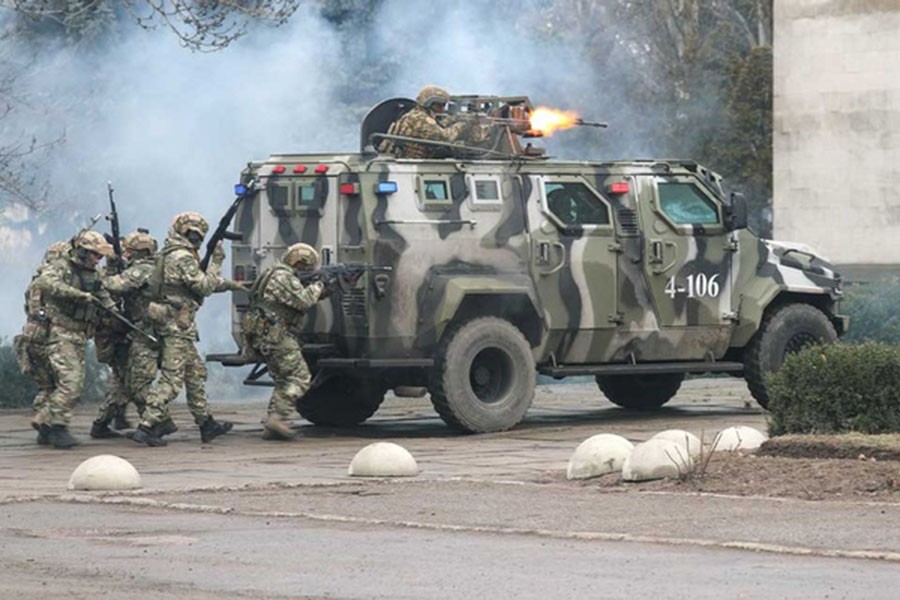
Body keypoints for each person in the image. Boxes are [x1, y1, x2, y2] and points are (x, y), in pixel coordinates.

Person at [132, 212, 236, 447]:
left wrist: (230, 284)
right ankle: (147, 425)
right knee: (172, 379)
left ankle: (206, 423)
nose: (197, 239)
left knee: (195, 373)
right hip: (176, 325)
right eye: (194, 234)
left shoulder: (171, 253)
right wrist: (217, 261)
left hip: (177, 323)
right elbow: (205, 286)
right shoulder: (182, 256)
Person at [32, 231, 116, 448]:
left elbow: (103, 295)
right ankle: (57, 426)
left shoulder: (93, 274)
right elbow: (46, 282)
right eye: (96, 255)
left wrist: (114, 313)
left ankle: (46, 426)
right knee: (71, 384)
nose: (99, 260)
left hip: (79, 334)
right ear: (83, 251)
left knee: (71, 383)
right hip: (61, 332)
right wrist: (77, 295)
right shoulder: (62, 267)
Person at [241, 243, 327, 440]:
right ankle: (278, 418)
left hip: (266, 334)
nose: (308, 271)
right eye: (307, 267)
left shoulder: (273, 272)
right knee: (300, 377)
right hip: (275, 335)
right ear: (300, 263)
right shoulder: (284, 277)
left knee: (282, 379)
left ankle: (273, 424)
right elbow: (303, 301)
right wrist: (319, 285)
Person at [90, 230, 159, 439]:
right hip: (121, 330)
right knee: (131, 380)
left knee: (123, 380)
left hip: (130, 329)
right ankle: (153, 423)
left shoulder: (140, 270)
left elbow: (116, 285)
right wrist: (112, 266)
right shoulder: (134, 270)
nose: (126, 253)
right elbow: (111, 286)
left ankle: (103, 423)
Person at [15, 240, 72, 445]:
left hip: (29, 336)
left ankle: (44, 430)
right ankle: (49, 422)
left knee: (47, 386)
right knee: (65, 383)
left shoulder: (35, 281)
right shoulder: (52, 282)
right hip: (46, 336)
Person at [378, 85, 476, 159]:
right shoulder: (419, 119)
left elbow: (438, 124)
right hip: (411, 162)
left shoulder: (415, 115)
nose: (442, 109)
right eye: (439, 105)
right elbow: (444, 138)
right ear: (428, 104)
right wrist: (463, 125)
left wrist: (457, 118)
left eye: (444, 105)